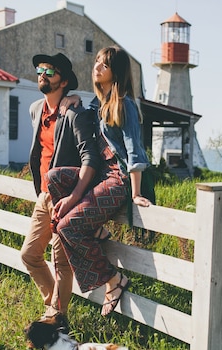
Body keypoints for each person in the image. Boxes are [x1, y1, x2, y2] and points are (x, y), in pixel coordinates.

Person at [50, 45, 152, 316]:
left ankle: (113, 280)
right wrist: (74, 100)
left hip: (118, 179)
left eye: (104, 65)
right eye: (96, 61)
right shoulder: (98, 105)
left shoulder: (125, 105)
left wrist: (135, 192)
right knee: (55, 178)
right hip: (101, 176)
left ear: (115, 73)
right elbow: (88, 116)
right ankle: (94, 230)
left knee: (67, 227)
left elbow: (134, 150)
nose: (96, 66)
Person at [20, 52, 100, 327]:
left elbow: (90, 157)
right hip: (43, 196)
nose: (42, 73)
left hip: (65, 198)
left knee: (61, 262)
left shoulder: (75, 113)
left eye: (50, 71)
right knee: (29, 254)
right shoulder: (35, 109)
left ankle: (55, 316)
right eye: (40, 69)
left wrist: (75, 195)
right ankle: (54, 309)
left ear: (64, 81)